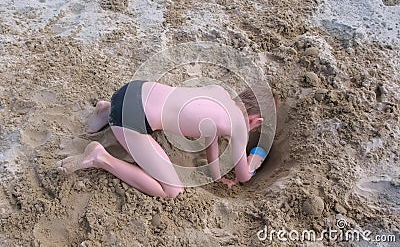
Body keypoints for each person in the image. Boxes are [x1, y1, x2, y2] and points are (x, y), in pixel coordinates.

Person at [55, 80, 270, 198]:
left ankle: (105, 111)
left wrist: (215, 174)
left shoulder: (219, 91)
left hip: (132, 89)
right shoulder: (240, 126)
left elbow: (210, 136)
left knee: (149, 108)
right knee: (172, 191)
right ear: (256, 121)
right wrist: (255, 159)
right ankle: (99, 157)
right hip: (130, 118)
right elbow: (243, 176)